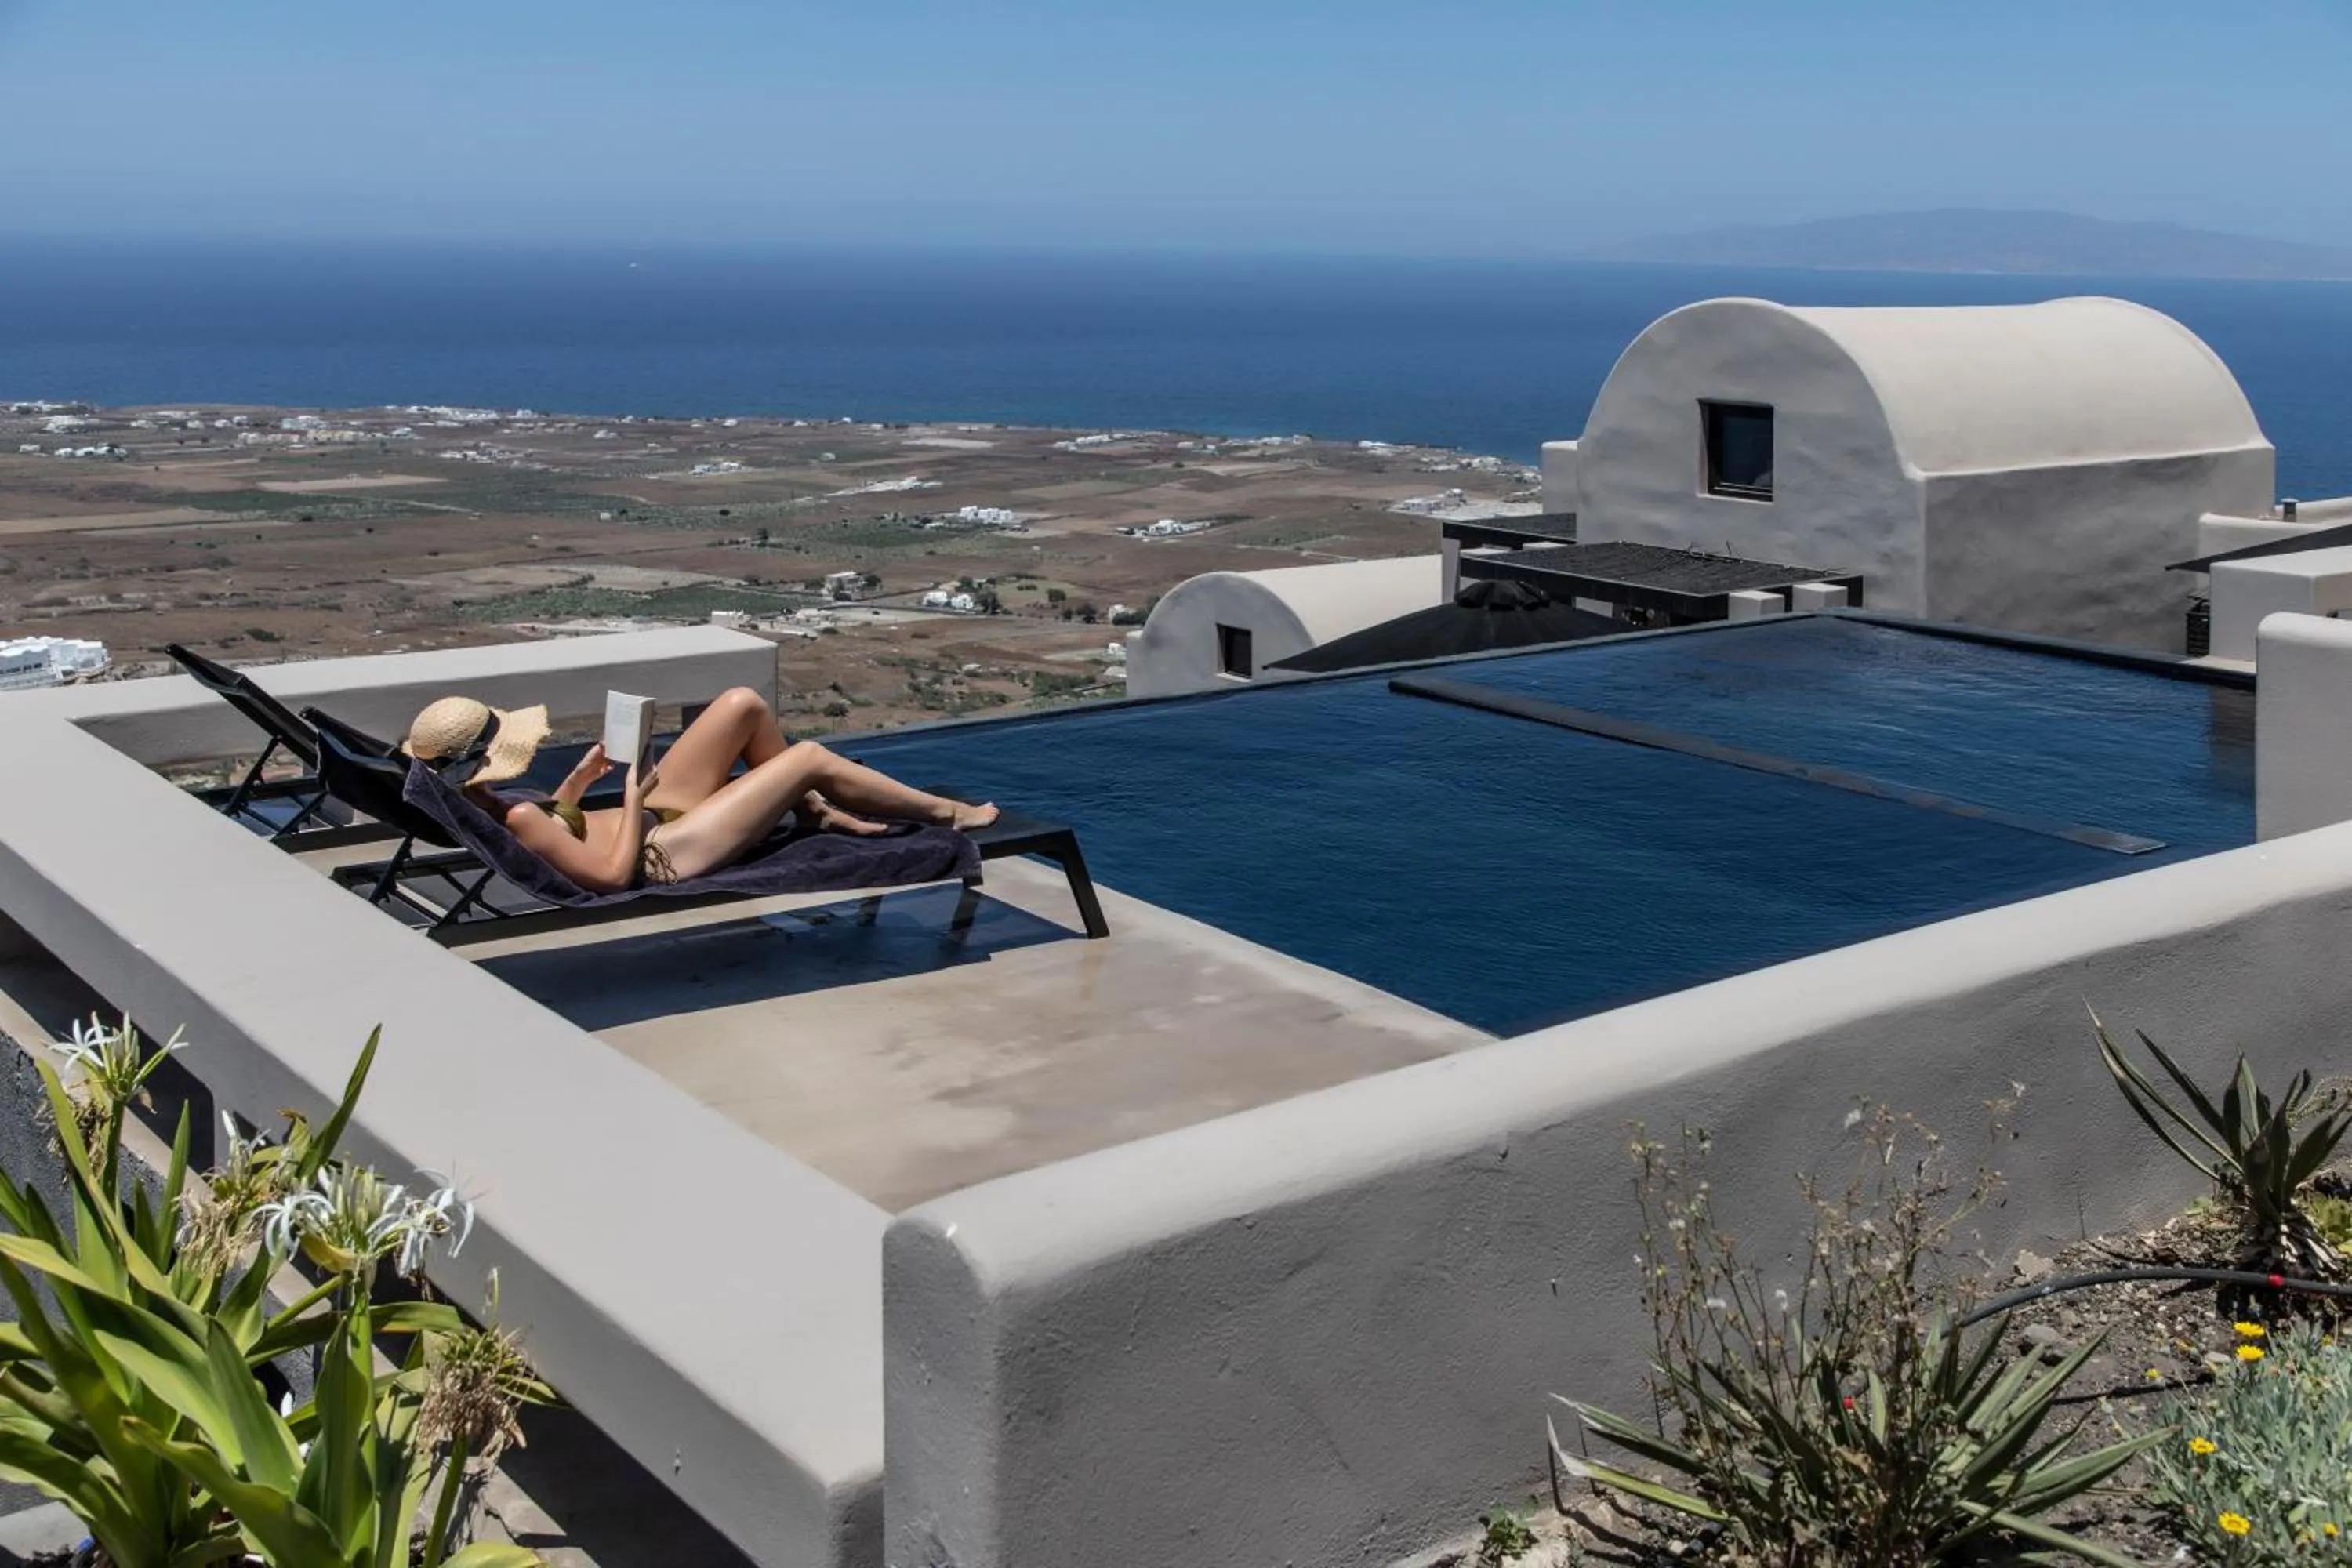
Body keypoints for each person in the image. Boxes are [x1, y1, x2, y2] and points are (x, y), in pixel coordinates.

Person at [401, 685, 996, 892]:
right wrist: (633, 797)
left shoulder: (483, 803)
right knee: (809, 756)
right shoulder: (513, 821)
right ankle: (946, 814)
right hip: (664, 855)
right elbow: (609, 877)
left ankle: (814, 813)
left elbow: (559, 833)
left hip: (658, 820)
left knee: (742, 705)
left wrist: (580, 781)